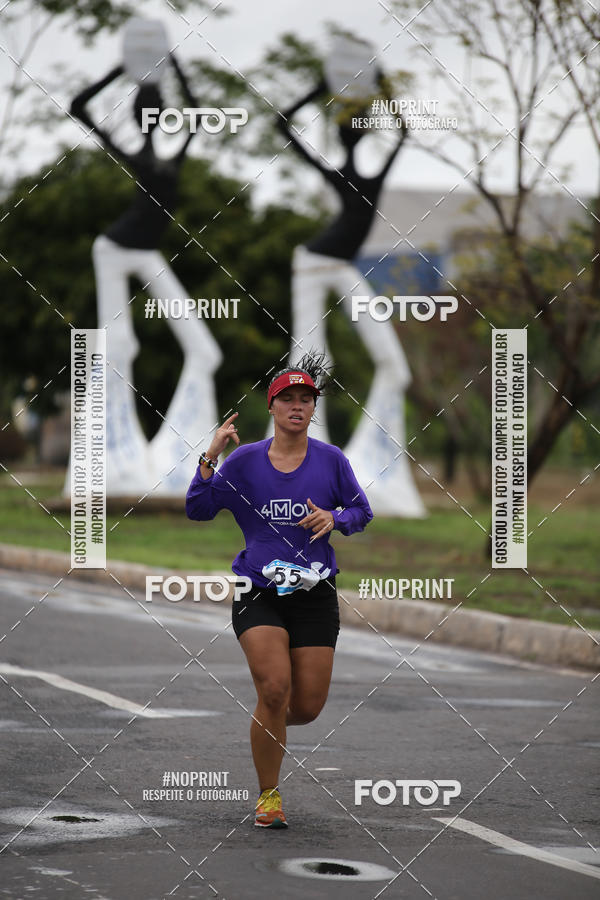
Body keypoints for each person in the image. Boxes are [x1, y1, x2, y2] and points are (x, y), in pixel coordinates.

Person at [185, 353, 373, 828]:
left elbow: (361, 512)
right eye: (287, 398)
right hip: (258, 589)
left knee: (305, 708)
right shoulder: (245, 462)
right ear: (271, 407)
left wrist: (335, 517)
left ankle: (265, 725)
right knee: (274, 688)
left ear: (313, 408)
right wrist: (211, 455)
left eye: (305, 399)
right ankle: (269, 796)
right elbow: (198, 509)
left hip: (314, 593)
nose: (297, 406)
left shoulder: (331, 461)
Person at [69, 55, 221, 495]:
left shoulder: (174, 153)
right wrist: (123, 68)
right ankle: (109, 462)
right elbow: (78, 106)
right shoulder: (135, 155)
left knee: (205, 350)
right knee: (118, 347)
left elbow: (197, 110)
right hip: (114, 251)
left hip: (146, 253)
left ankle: (179, 463)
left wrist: (170, 63)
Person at [276, 78, 425, 516]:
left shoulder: (370, 175)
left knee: (394, 365)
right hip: (310, 264)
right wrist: (321, 86)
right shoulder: (338, 173)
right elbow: (283, 125)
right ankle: (297, 470)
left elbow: (403, 133)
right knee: (309, 364)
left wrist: (380, 88)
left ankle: (371, 470)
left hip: (340, 266)